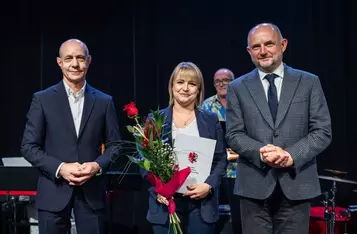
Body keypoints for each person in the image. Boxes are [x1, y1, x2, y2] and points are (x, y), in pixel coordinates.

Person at [225, 23, 332, 234]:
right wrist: (262, 153)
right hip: (253, 188)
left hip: (296, 184)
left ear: (283, 45)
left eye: (269, 44)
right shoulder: (237, 87)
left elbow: (322, 131)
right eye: (256, 47)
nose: (263, 51)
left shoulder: (309, 82)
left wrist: (291, 155)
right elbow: (234, 134)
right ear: (249, 51)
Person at [21, 39, 121, 234]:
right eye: (69, 58)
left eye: (80, 58)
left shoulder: (104, 101)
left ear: (88, 61)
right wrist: (61, 168)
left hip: (92, 195)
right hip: (53, 191)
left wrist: (97, 166)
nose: (75, 64)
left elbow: (115, 145)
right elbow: (28, 146)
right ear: (60, 62)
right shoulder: (42, 99)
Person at [144, 62, 227, 234]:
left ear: (199, 89)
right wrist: (158, 189)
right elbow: (145, 161)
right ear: (172, 86)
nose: (185, 88)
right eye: (180, 82)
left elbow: (220, 159)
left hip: (202, 204)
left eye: (192, 83)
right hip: (165, 205)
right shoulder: (155, 119)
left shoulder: (210, 120)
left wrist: (209, 185)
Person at [202, 68, 242, 234]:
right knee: (212, 215)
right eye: (218, 81)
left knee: (239, 216)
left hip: (239, 169)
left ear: (233, 82)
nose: (221, 84)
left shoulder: (242, 102)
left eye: (225, 80)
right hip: (215, 167)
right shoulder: (207, 105)